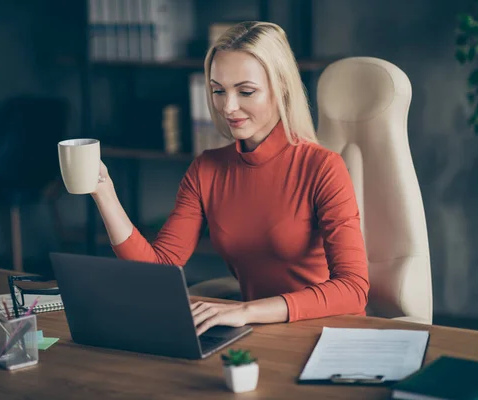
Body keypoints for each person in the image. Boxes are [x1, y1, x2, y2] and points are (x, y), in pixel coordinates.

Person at [90, 21, 369, 335]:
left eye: (246, 91)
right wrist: (104, 193)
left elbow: (353, 289)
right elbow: (158, 270)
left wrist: (246, 309)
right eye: (218, 91)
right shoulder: (206, 169)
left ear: (282, 88)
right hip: (257, 332)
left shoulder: (322, 167)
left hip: (325, 330)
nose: (228, 107)